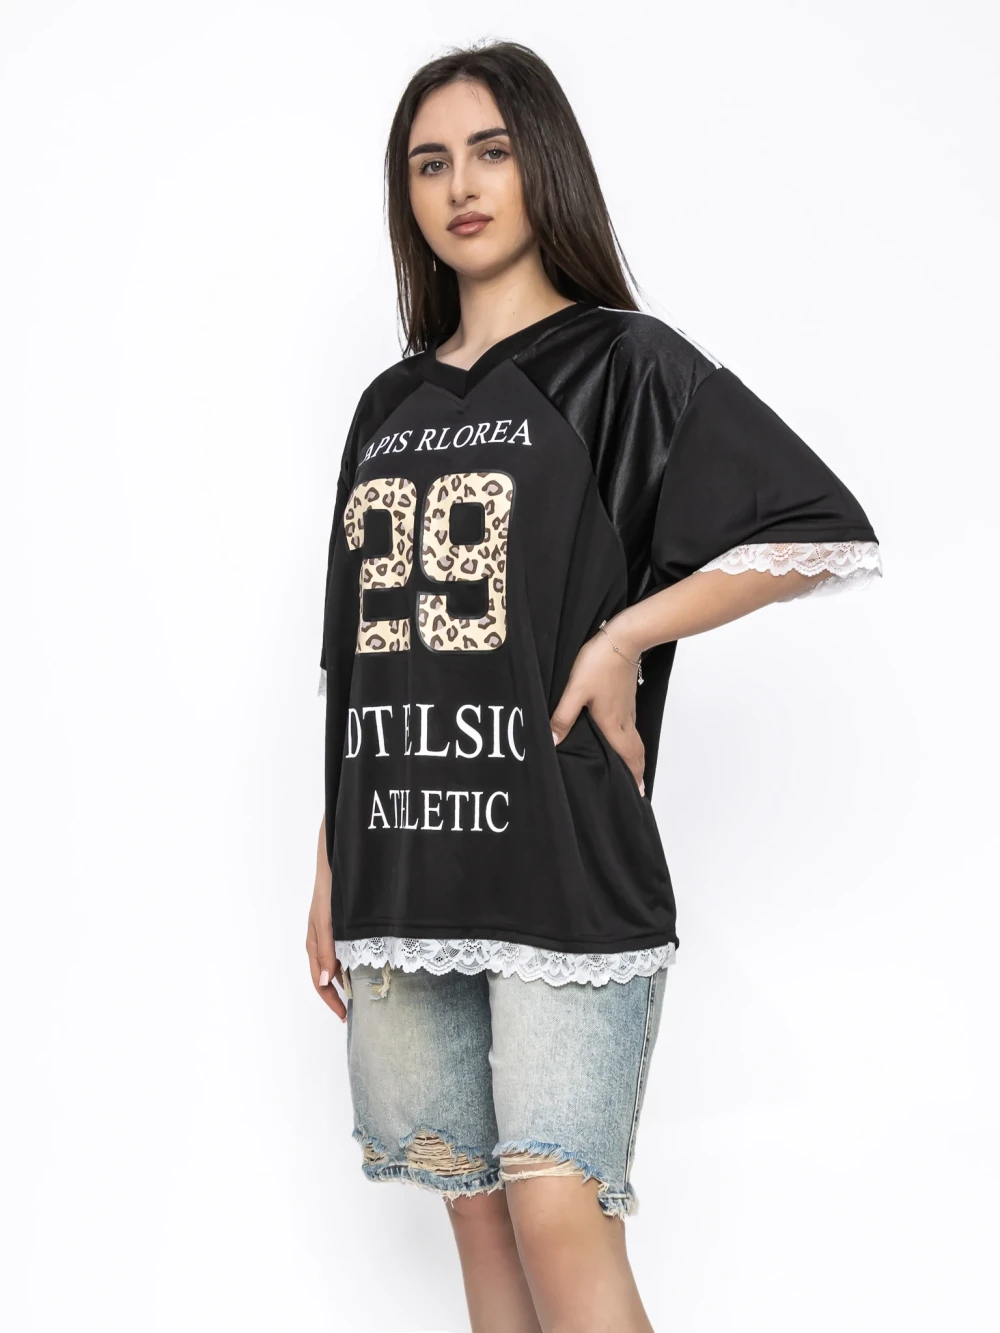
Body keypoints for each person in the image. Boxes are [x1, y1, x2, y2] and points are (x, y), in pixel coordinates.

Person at [305, 39, 882, 1333]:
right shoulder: (387, 403)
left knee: (559, 1214)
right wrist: (333, 859)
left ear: (545, 165)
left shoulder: (622, 364)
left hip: (560, 860)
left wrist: (625, 638)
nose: (462, 187)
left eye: (491, 153)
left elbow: (817, 526)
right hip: (400, 863)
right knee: (475, 1218)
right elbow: (358, 647)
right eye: (430, 164)